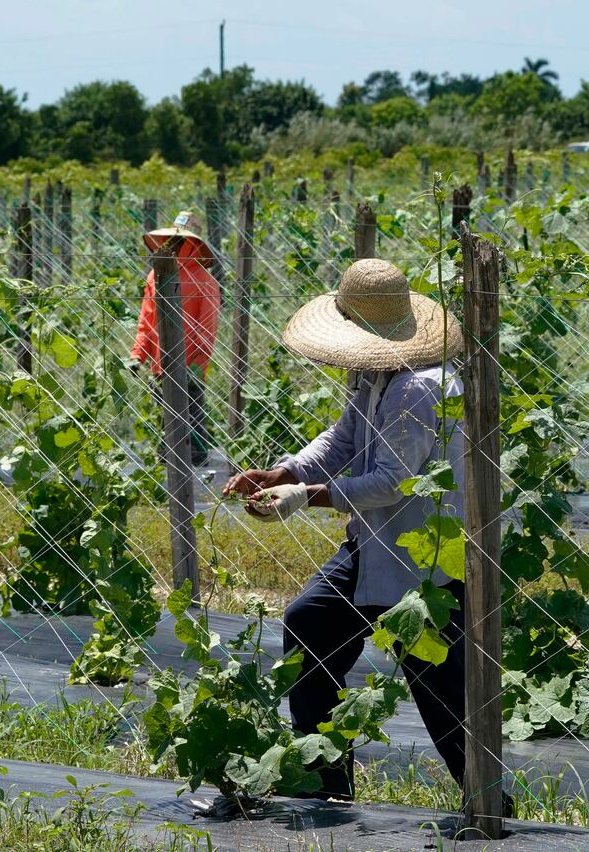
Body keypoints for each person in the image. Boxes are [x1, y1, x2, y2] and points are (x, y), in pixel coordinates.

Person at [222, 258, 468, 802]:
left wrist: (305, 498)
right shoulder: (380, 376)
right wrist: (287, 472)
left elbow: (394, 480)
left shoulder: (420, 389)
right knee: (309, 621)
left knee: (441, 692)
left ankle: (493, 808)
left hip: (424, 562)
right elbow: (343, 438)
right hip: (372, 543)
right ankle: (325, 785)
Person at [129, 210, 220, 466]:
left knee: (192, 419)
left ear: (193, 243)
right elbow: (146, 320)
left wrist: (197, 365)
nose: (173, 245)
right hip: (161, 363)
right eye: (171, 239)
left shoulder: (205, 280)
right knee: (164, 418)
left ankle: (198, 471)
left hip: (189, 365)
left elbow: (208, 329)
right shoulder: (155, 276)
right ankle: (166, 469)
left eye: (180, 241)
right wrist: (137, 354)